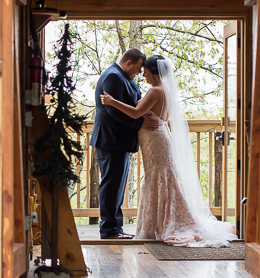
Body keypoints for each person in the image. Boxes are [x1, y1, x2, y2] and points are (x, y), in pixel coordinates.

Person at [100, 54, 237, 247]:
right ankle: (162, 222)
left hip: (155, 140)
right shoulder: (165, 91)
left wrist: (112, 102)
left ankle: (163, 224)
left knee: (159, 178)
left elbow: (136, 112)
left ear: (155, 74)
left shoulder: (155, 91)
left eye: (146, 72)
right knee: (164, 178)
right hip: (160, 135)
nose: (143, 76)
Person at [90, 49, 157, 240]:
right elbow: (113, 110)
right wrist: (140, 122)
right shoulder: (113, 77)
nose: (138, 72)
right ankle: (110, 230)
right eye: (137, 68)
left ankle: (115, 228)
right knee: (111, 185)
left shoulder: (122, 76)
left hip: (119, 140)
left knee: (117, 185)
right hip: (111, 139)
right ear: (128, 63)